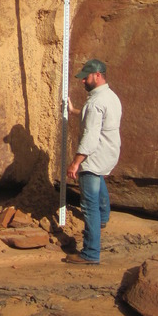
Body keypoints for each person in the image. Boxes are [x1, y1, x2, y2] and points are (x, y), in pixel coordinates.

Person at [65, 58, 122, 265]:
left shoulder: (97, 101)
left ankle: (90, 253)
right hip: (109, 153)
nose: (82, 82)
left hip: (95, 154)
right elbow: (98, 117)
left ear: (97, 76)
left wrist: (75, 163)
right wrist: (75, 112)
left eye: (86, 77)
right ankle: (104, 218)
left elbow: (90, 136)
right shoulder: (111, 97)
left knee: (89, 206)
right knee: (98, 180)